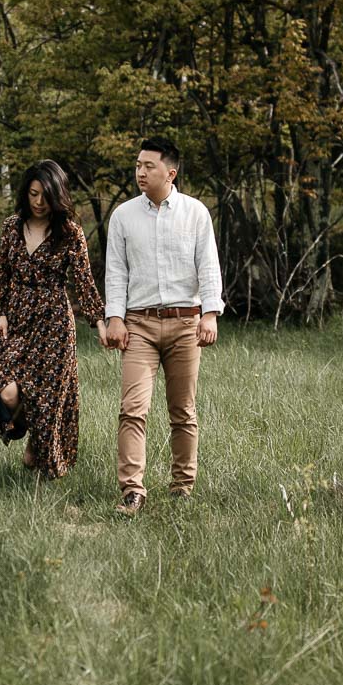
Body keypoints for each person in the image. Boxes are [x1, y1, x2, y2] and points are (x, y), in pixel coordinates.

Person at [100, 137, 223, 516]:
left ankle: (182, 486)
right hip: (139, 326)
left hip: (186, 324)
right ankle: (132, 490)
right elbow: (116, 272)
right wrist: (115, 318)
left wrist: (210, 314)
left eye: (148, 166)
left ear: (171, 172)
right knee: (132, 408)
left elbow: (208, 265)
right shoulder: (123, 216)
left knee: (182, 410)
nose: (140, 171)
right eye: (137, 165)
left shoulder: (195, 213)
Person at [0, 160, 106, 478]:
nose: (38, 203)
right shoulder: (12, 227)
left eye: (45, 196)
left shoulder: (70, 233)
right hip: (18, 319)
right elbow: (3, 274)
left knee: (49, 395)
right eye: (33, 194)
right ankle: (27, 429)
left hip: (55, 324)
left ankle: (41, 453)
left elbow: (84, 282)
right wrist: (1, 313)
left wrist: (100, 321)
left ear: (57, 195)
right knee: (9, 392)